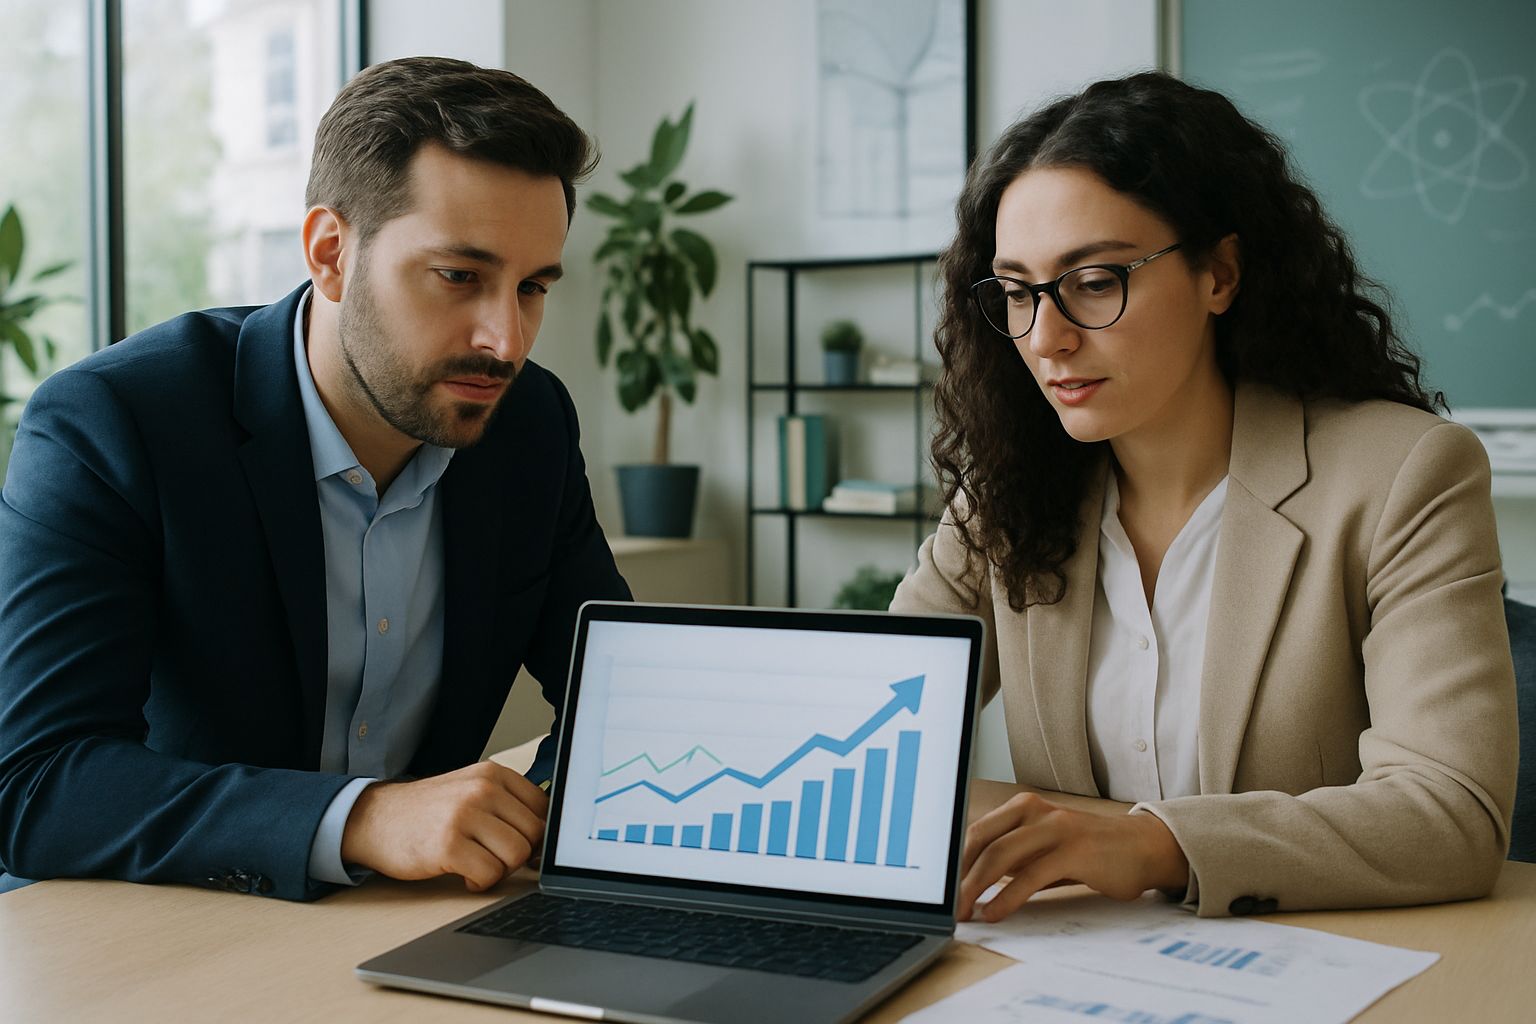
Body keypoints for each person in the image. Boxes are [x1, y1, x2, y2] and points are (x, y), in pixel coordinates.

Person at [890, 71, 1518, 920]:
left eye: (1096, 281)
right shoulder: (1009, 494)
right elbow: (876, 714)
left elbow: (1451, 813)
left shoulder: (1406, 476)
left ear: (1218, 274)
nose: (1046, 338)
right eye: (1016, 291)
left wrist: (1153, 844)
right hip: (1067, 967)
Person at [0, 57, 631, 900]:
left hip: (399, 920)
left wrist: (554, 807)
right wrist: (362, 819)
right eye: (460, 277)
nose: (506, 340)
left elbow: (616, 692)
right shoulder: (114, 423)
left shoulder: (529, 425)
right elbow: (37, 783)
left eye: (533, 287)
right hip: (162, 931)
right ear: (331, 252)